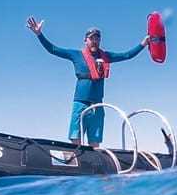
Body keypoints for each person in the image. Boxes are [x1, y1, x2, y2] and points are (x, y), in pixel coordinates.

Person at [26, 17, 149, 146]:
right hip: (80, 104)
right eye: (92, 38)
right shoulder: (76, 55)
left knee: (95, 144)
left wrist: (143, 44)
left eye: (97, 38)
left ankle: (95, 164)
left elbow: (127, 55)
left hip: (97, 106)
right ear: (85, 40)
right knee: (75, 139)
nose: (95, 41)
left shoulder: (106, 56)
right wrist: (39, 34)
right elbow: (53, 49)